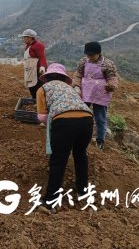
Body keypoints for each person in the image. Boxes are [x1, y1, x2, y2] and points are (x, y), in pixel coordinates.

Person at [36, 63, 93, 209]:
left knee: (58, 160)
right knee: (80, 155)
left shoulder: (43, 89)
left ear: (47, 77)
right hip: (87, 119)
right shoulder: (70, 88)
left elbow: (42, 117)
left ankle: (50, 201)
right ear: (63, 77)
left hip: (64, 122)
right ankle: (83, 192)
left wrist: (51, 115)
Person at [72, 41, 119, 150]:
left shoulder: (107, 64)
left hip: (100, 93)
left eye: (92, 55)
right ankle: (78, 136)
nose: (90, 57)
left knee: (100, 117)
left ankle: (100, 140)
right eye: (88, 55)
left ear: (99, 53)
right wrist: (76, 86)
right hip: (85, 91)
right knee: (81, 114)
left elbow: (112, 79)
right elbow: (78, 75)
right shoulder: (83, 62)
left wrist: (111, 86)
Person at [20, 29, 47, 99]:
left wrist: (42, 67)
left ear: (29, 38)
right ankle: (34, 98)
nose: (23, 39)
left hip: (37, 70)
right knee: (31, 85)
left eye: (24, 37)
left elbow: (42, 57)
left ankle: (39, 100)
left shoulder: (38, 45)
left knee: (37, 86)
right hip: (30, 69)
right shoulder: (28, 46)